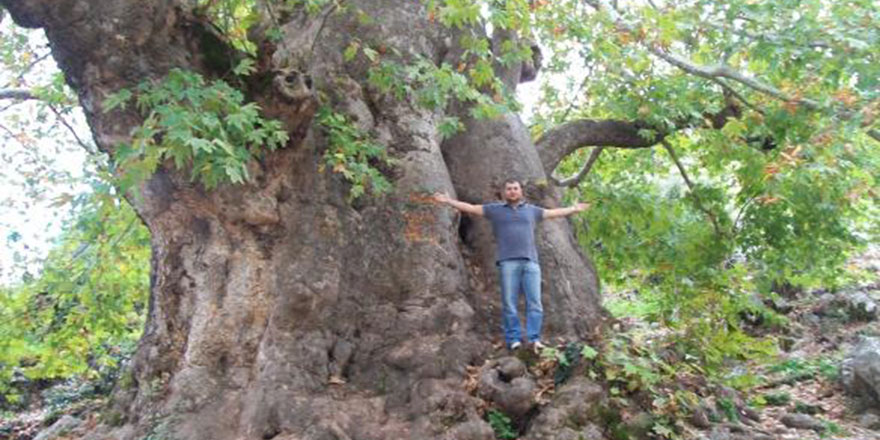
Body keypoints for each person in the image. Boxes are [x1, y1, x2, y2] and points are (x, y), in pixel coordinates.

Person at [434, 179, 589, 351]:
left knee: (535, 302)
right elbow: (471, 208)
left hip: (530, 262)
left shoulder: (532, 211)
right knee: (509, 303)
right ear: (504, 192)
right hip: (508, 262)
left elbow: (553, 213)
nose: (512, 191)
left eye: (515, 188)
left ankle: (534, 338)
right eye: (509, 189)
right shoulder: (495, 210)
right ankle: (513, 339)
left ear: (521, 191)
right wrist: (448, 201)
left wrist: (574, 209)